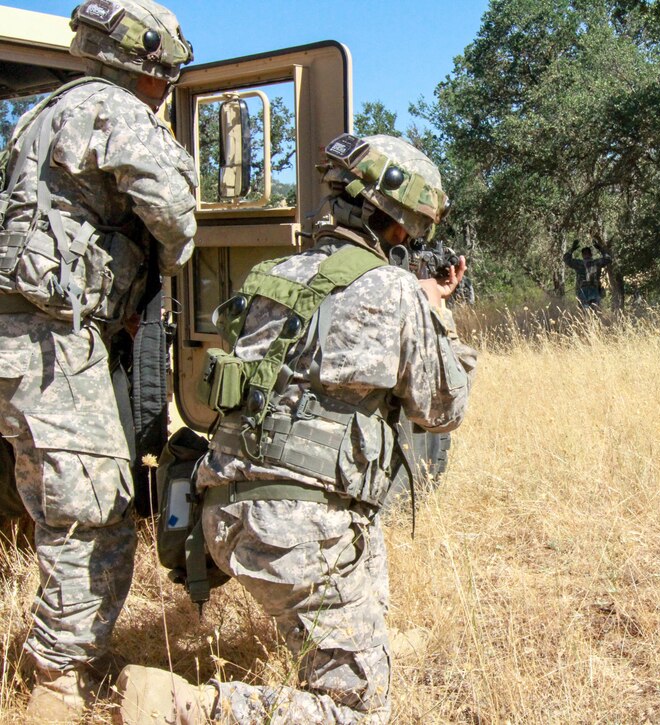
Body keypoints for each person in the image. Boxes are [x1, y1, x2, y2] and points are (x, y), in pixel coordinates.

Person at [115, 133, 476, 724]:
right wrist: (436, 309)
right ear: (396, 225)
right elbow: (443, 409)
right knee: (360, 713)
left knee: (362, 544)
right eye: (411, 230)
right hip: (296, 529)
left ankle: (360, 639)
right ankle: (191, 707)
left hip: (222, 512)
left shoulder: (272, 276)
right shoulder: (395, 291)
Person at [0, 0, 195, 721]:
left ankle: (58, 652)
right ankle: (56, 677)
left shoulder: (41, 113)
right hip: (50, 341)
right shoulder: (116, 111)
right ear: (151, 63)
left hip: (28, 339)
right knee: (94, 513)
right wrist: (172, 261)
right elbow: (174, 213)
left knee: (54, 500)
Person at [563, 239, 612, 309]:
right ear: (591, 254)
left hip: (583, 292)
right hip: (594, 292)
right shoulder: (596, 263)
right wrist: (600, 249)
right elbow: (608, 259)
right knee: (595, 314)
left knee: (584, 314)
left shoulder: (578, 263)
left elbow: (566, 259)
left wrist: (572, 249)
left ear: (582, 255)